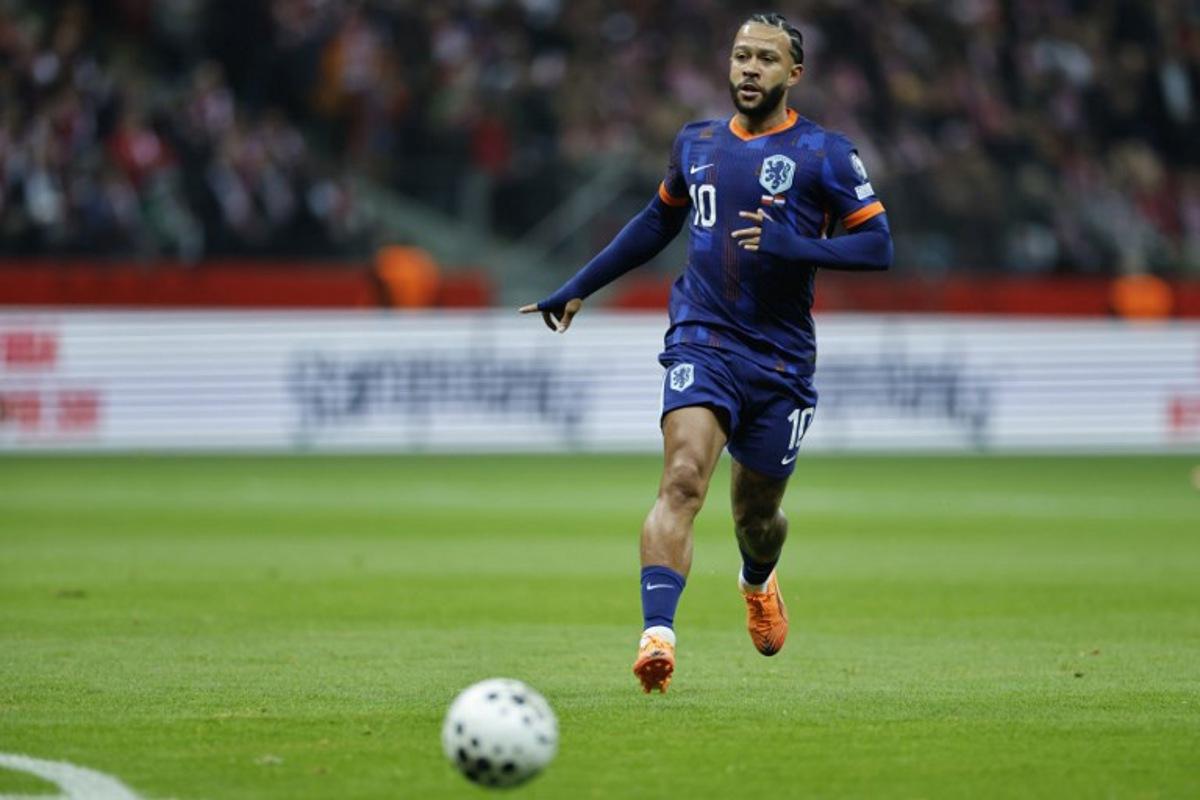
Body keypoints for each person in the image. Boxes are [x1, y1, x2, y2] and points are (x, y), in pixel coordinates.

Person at [520, 12, 892, 694]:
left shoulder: (826, 154)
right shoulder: (694, 143)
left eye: (766, 59)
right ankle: (657, 637)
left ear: (793, 74)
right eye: (741, 56)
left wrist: (797, 246)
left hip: (781, 362)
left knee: (756, 516)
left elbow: (878, 246)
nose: (750, 69)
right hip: (702, 338)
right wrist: (580, 287)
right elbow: (657, 220)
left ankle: (757, 577)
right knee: (684, 477)